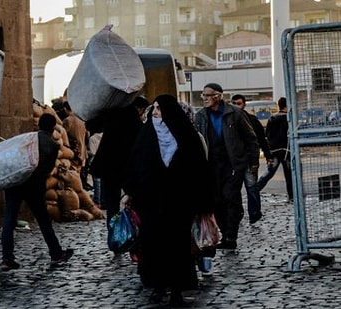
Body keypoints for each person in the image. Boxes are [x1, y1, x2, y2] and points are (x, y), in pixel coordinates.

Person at [123, 94, 215, 306]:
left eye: (158, 108)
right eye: (153, 108)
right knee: (153, 244)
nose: (154, 112)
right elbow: (136, 165)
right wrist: (131, 192)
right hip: (151, 203)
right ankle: (157, 285)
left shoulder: (185, 135)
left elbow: (199, 169)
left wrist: (203, 202)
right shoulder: (146, 135)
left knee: (178, 247)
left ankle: (176, 289)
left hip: (179, 204)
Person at [1, 113, 74, 270]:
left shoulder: (26, 139)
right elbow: (47, 170)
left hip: (15, 183)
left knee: (9, 219)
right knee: (43, 220)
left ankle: (7, 258)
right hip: (34, 187)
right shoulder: (53, 146)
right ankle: (56, 254)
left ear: (39, 124)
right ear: (53, 127)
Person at [195, 83, 259, 250]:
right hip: (211, 166)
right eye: (203, 95)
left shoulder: (235, 113)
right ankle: (225, 233)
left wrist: (253, 162)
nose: (204, 99)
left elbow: (251, 139)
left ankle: (231, 236)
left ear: (218, 96)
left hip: (233, 164)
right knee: (216, 201)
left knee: (230, 198)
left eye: (208, 95)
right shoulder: (200, 116)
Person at [86, 96, 148, 230]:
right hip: (127, 166)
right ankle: (136, 231)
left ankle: (114, 234)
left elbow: (92, 125)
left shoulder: (111, 111)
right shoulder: (131, 115)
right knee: (135, 201)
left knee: (112, 205)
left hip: (110, 166)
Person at [231, 94, 273, 224]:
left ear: (244, 104)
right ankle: (238, 214)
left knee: (252, 187)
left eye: (238, 103)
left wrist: (267, 156)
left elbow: (260, 139)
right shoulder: (228, 120)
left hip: (249, 160)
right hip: (234, 161)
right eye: (234, 103)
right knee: (234, 190)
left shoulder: (252, 120)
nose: (236, 105)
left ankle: (254, 213)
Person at [256, 97, 293, 202]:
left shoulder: (272, 118)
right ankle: (292, 196)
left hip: (274, 151)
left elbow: (267, 135)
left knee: (268, 174)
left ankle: (254, 191)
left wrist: (269, 150)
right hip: (286, 150)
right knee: (289, 175)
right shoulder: (289, 119)